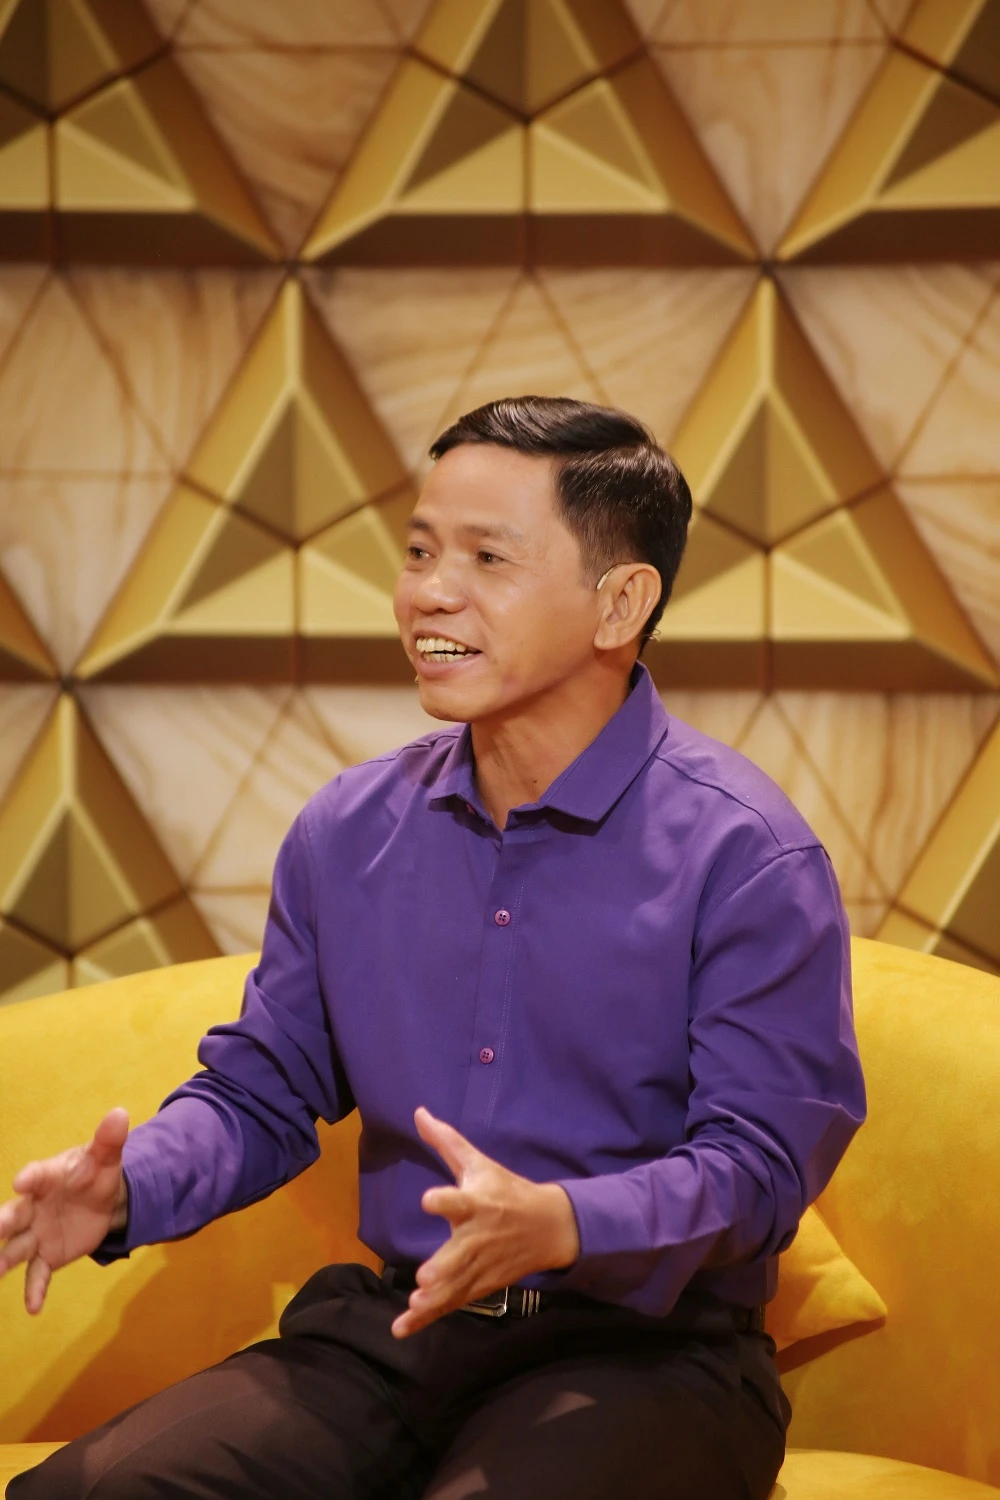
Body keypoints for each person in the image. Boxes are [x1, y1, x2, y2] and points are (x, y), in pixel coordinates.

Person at [0, 396, 865, 1500]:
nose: (429, 593)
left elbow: (760, 1169)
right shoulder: (348, 831)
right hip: (401, 1324)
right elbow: (263, 1093)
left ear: (620, 603)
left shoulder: (746, 854)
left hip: (648, 1357)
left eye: (486, 558)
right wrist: (129, 1191)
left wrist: (562, 1223)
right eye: (419, 552)